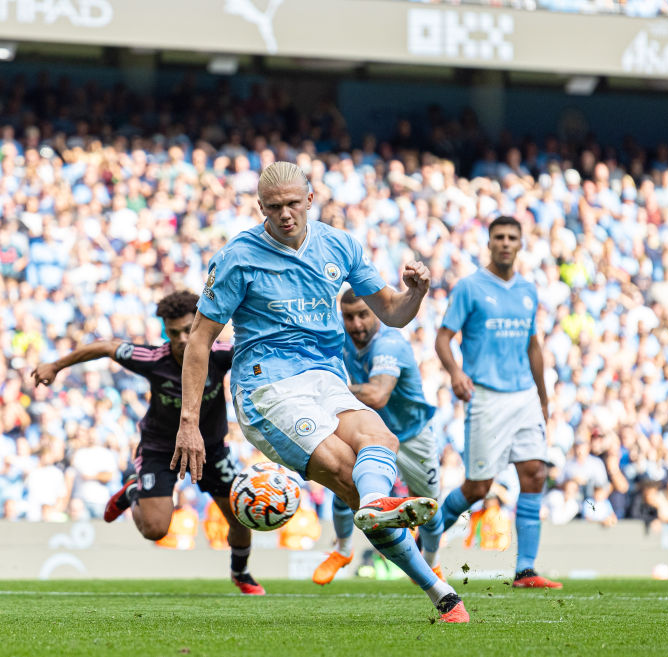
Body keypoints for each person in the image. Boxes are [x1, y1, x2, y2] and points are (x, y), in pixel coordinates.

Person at [173, 161, 468, 622]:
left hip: (324, 378)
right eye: (274, 207)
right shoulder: (237, 257)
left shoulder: (340, 244)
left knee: (382, 439)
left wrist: (418, 292)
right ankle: (438, 590)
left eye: (293, 203)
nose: (285, 214)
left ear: (310, 199)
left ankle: (374, 506)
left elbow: (392, 312)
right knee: (343, 470)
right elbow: (199, 340)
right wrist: (188, 423)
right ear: (261, 207)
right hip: (266, 385)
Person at [31, 291, 265, 595]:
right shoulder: (153, 359)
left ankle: (241, 572)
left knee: (239, 513)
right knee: (155, 529)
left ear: (200, 324)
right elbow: (105, 347)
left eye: (187, 329)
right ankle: (134, 490)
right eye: (173, 332)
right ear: (164, 331)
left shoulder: (220, 354)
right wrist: (56, 365)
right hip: (160, 449)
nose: (181, 338)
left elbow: (258, 351)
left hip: (211, 449)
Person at [434, 215, 562, 589]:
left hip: (523, 394)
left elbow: (532, 345)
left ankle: (525, 570)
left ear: (521, 244)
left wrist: (542, 396)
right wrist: (456, 373)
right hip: (486, 395)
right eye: (499, 237)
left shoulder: (527, 290)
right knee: (478, 486)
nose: (505, 243)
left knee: (535, 472)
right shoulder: (470, 287)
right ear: (489, 243)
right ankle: (426, 537)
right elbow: (443, 339)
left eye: (512, 238)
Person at [312, 290, 444, 586]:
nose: (356, 324)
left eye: (363, 314)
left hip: (412, 435)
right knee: (341, 481)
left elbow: (378, 394)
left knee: (431, 508)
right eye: (349, 317)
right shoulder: (340, 339)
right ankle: (342, 550)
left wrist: (334, 391)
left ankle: (433, 564)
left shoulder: (389, 343)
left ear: (376, 313)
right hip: (370, 431)